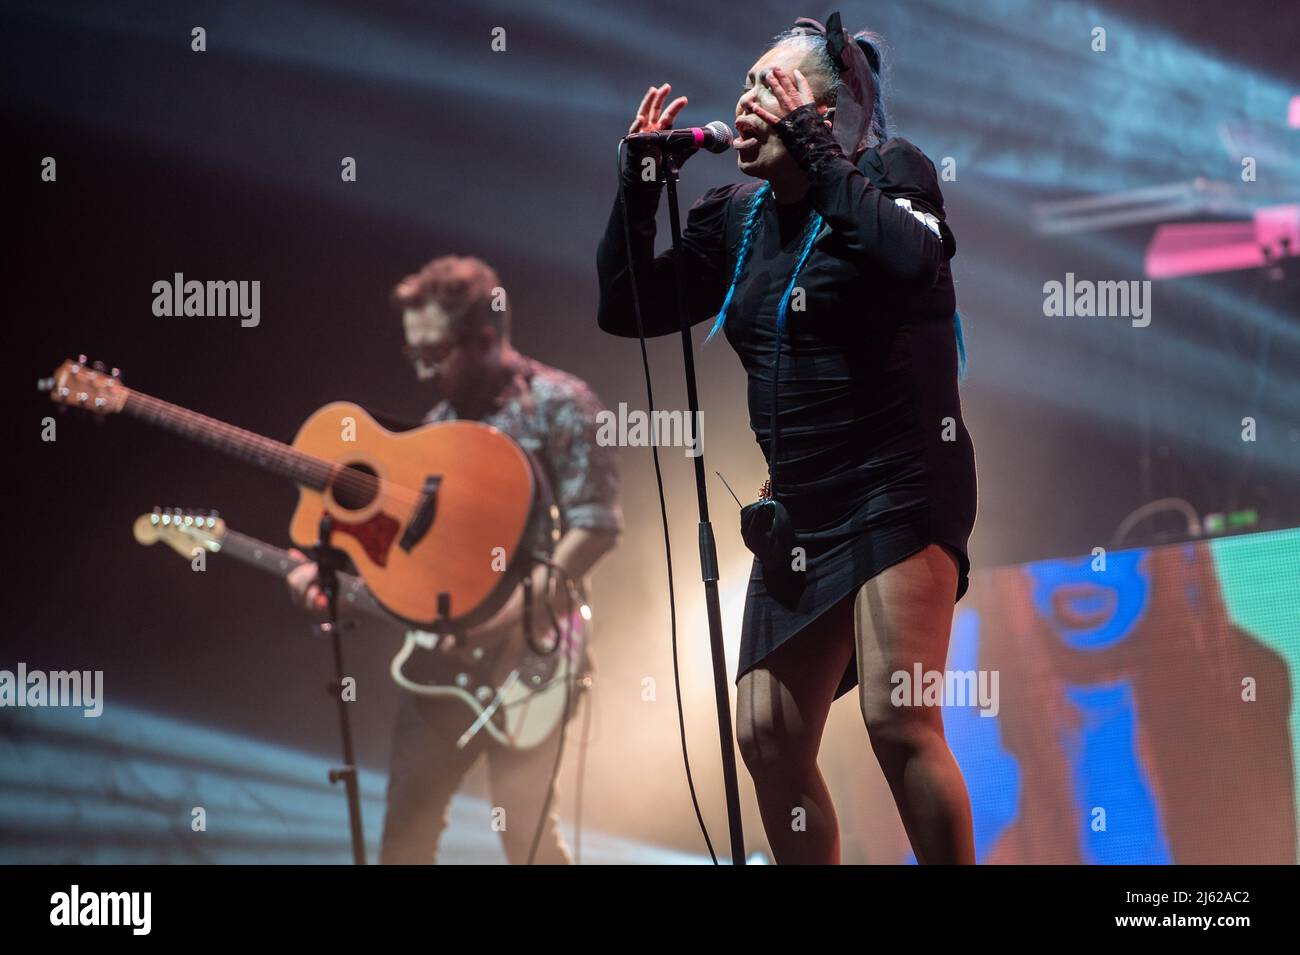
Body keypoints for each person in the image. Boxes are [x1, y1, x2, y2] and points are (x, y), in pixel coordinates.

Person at [596, 16, 978, 863]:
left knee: (896, 717)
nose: (743, 99)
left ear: (823, 107)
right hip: (800, 508)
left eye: (770, 85)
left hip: (897, 482)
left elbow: (914, 260)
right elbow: (626, 310)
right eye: (745, 83)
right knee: (766, 732)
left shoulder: (889, 173)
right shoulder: (734, 217)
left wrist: (821, 150)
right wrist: (635, 186)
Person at [288, 254, 622, 863]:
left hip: (535, 659)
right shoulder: (439, 425)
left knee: (525, 838)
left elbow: (595, 528)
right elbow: (416, 557)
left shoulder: (561, 402)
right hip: (442, 667)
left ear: (486, 339)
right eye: (413, 353)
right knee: (404, 837)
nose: (420, 370)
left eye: (434, 353)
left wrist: (501, 622)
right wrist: (328, 573)